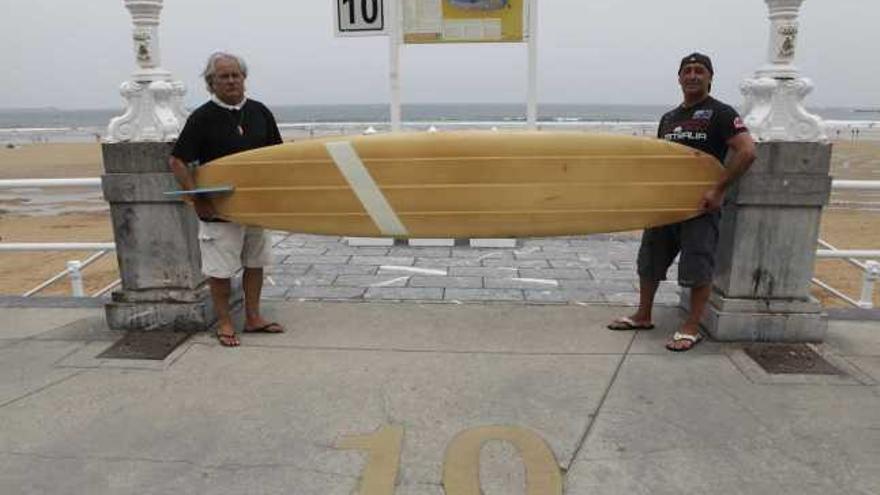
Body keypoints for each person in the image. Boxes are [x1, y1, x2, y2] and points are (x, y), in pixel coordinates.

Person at [608, 52, 757, 352]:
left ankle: (691, 326)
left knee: (697, 265)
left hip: (700, 208)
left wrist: (718, 190)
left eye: (699, 70)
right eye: (686, 71)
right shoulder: (669, 118)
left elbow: (747, 151)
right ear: (679, 78)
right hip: (666, 206)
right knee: (648, 261)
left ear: (710, 77)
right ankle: (643, 315)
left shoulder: (722, 113)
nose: (692, 75)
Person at [169, 52, 285, 347]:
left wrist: (277, 198)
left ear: (244, 78)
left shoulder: (260, 112)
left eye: (236, 75)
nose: (232, 81)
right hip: (219, 210)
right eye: (224, 76)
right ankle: (224, 322)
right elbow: (178, 161)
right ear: (211, 83)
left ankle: (254, 317)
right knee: (219, 270)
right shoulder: (201, 117)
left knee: (255, 262)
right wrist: (197, 200)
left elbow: (277, 158)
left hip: (255, 208)